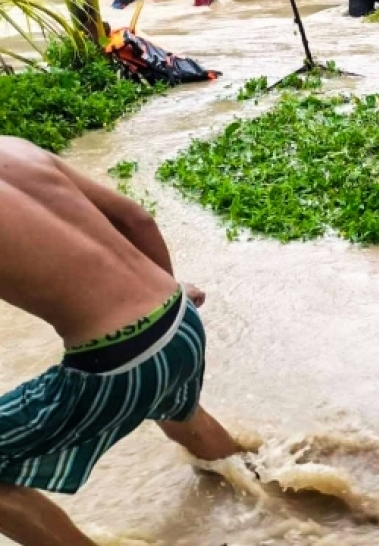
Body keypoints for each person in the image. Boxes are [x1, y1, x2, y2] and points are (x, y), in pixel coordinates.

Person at [0, 136, 244, 546]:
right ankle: (269, 487)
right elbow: (137, 219)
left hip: (118, 364)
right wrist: (171, 285)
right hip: (180, 319)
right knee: (180, 415)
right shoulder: (14, 148)